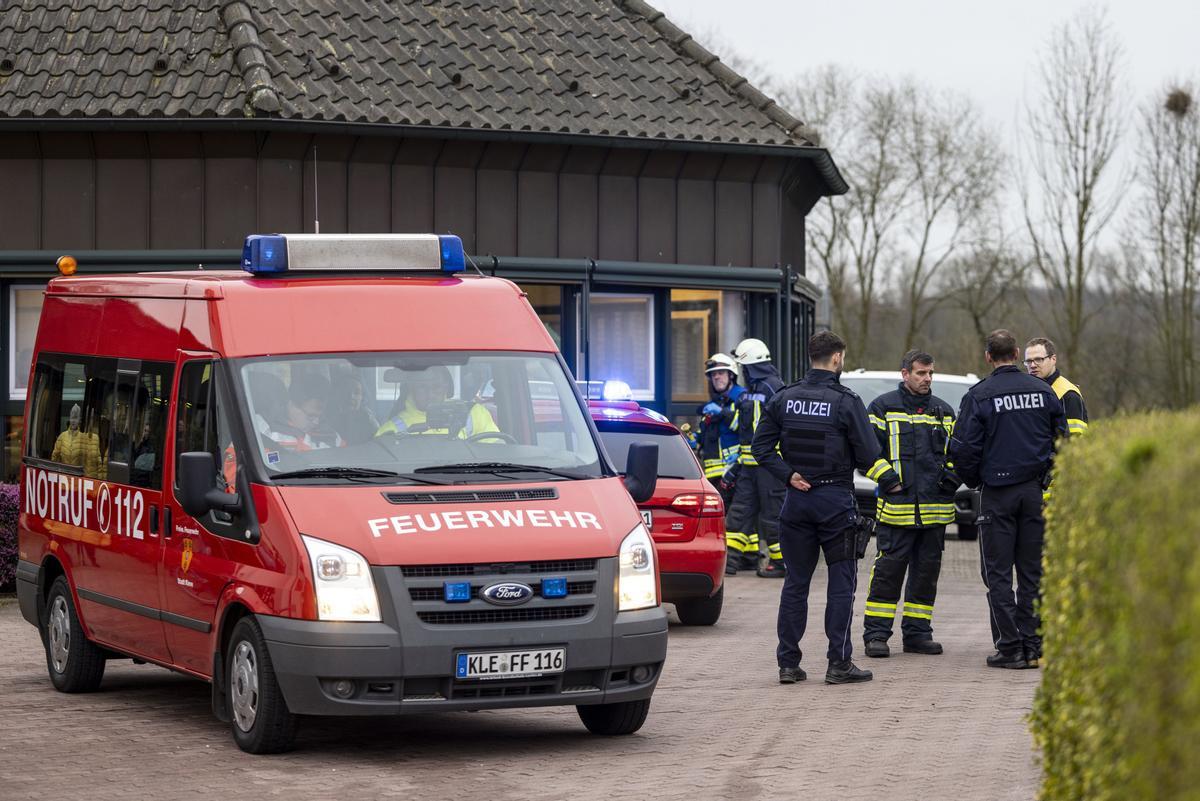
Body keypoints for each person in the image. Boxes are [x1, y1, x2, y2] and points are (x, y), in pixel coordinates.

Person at [752, 331, 901, 685]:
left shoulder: (784, 399)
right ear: (837, 359)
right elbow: (869, 457)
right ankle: (839, 663)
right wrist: (893, 482)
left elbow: (760, 449)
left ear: (811, 357)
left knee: (795, 583)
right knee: (841, 585)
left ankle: (788, 664)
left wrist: (788, 476)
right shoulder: (846, 402)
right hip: (835, 503)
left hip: (797, 503)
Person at [949, 330, 1066, 670]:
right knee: (1031, 574)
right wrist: (1046, 474)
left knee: (998, 575)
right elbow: (1062, 439)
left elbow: (963, 448)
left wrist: (976, 480)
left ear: (988, 356)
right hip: (1033, 492)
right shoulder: (1043, 391)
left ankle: (1011, 647)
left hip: (997, 494)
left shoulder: (980, 395)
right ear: (1016, 353)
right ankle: (1034, 646)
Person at [861, 350, 958, 658]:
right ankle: (876, 634)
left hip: (935, 513)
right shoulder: (882, 408)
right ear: (905, 374)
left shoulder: (944, 411)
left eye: (930, 373)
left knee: (926, 575)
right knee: (887, 574)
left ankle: (918, 633)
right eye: (920, 373)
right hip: (895, 512)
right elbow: (864, 453)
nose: (927, 378)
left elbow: (959, 454)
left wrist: (951, 480)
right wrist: (887, 478)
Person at [723, 338, 787, 578]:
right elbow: (744, 431)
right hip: (749, 468)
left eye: (742, 366)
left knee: (773, 517)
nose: (741, 371)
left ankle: (781, 564)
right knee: (739, 513)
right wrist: (737, 466)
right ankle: (729, 562)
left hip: (769, 469)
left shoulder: (774, 388)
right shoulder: (748, 393)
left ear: (750, 364)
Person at [376, 365, 499, 438]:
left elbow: (495, 451)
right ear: (411, 389)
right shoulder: (390, 429)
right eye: (422, 387)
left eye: (436, 387)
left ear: (446, 387)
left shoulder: (474, 414)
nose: (430, 394)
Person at [693, 353, 745, 512]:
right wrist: (695, 439)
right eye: (713, 375)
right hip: (713, 477)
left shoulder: (743, 398)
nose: (716, 377)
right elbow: (704, 432)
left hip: (736, 472)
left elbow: (745, 427)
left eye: (721, 373)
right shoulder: (713, 404)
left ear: (731, 375)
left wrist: (722, 412)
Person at [260, 372, 345, 452]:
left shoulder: (332, 437)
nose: (316, 422)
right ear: (292, 405)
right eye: (311, 416)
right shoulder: (265, 430)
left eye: (320, 416)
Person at [1024, 337, 1088, 438]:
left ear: (1053, 359)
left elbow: (1075, 442)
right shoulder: (1027, 392)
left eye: (1038, 359)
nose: (1032, 365)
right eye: (1028, 361)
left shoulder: (1068, 394)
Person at [50, 404, 103, 478]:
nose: (73, 421)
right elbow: (55, 458)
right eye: (72, 418)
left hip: (78, 480)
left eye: (76, 418)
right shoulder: (62, 436)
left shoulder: (83, 437)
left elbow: (93, 462)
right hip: (63, 479)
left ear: (79, 420)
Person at [331, 376, 379, 445]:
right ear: (338, 394)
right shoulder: (326, 420)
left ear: (362, 397)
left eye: (356, 392)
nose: (351, 396)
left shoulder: (368, 421)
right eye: (347, 391)